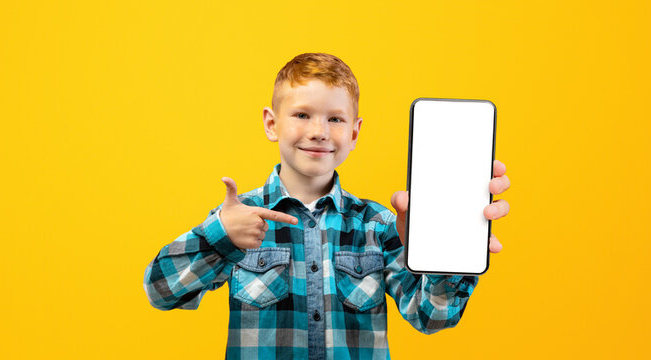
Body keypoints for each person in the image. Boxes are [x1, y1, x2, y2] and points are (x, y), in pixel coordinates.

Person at [143, 52, 511, 359]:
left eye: (335, 119)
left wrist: (448, 252)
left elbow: (433, 318)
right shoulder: (238, 218)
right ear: (272, 124)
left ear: (354, 133)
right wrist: (219, 235)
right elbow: (161, 292)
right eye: (302, 115)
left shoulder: (380, 224)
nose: (319, 131)